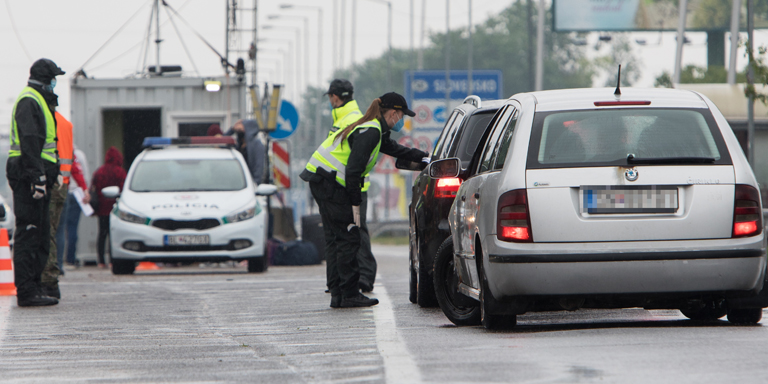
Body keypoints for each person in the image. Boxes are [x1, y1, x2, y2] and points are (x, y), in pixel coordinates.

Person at [301, 92, 429, 308]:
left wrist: (422, 156)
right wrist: (355, 203)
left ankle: (338, 293)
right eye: (402, 116)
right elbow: (353, 170)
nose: (402, 121)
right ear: (393, 113)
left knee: (336, 238)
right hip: (330, 183)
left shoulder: (374, 128)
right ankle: (349, 294)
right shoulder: (371, 131)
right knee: (349, 237)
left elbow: (393, 148)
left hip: (321, 179)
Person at [7, 58, 65, 307]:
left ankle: (37, 286)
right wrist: (37, 177)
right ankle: (27, 291)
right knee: (29, 233)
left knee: (40, 234)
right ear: (45, 79)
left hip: (37, 173)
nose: (55, 83)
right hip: (28, 175)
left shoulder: (39, 100)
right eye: (53, 78)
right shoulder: (29, 100)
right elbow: (30, 142)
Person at [323, 79, 375, 292]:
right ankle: (343, 280)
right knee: (346, 233)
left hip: (354, 189)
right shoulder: (344, 118)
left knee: (356, 232)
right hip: (342, 187)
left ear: (335, 97)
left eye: (329, 97)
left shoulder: (351, 119)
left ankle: (364, 277)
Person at [41, 112, 89, 299]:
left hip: (50, 185)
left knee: (49, 230)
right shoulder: (67, 126)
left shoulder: (45, 120)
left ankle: (48, 270)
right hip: (66, 188)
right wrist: (84, 188)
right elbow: (75, 166)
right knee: (62, 230)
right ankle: (59, 266)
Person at [90, 146, 126, 269]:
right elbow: (123, 190)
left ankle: (101, 261)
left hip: (101, 209)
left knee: (102, 234)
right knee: (113, 235)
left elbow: (93, 189)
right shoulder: (120, 172)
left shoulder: (99, 171)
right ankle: (112, 259)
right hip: (115, 210)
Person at [56, 148, 90, 270]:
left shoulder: (51, 147)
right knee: (71, 228)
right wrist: (85, 190)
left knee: (56, 229)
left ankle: (53, 263)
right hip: (75, 193)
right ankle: (68, 259)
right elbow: (81, 172)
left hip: (59, 190)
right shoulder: (77, 153)